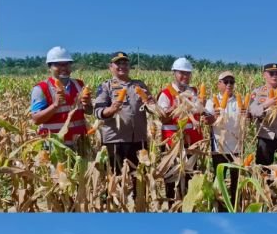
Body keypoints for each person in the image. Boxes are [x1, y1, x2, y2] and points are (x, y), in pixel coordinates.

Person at [93, 52, 154, 173]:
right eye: (118, 63)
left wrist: (151, 103)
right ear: (110, 67)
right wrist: (111, 110)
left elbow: (150, 109)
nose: (122, 66)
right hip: (115, 141)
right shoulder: (106, 86)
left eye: (125, 63)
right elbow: (97, 111)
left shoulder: (140, 85)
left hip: (138, 140)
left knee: (139, 178)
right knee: (116, 178)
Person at [157, 57, 202, 199]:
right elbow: (162, 118)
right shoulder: (166, 93)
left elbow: (199, 112)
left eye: (187, 73)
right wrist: (175, 106)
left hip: (192, 142)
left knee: (189, 174)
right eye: (181, 73)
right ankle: (172, 203)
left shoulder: (194, 91)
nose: (184, 76)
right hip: (172, 142)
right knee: (171, 175)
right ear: (174, 74)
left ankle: (188, 204)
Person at [30, 46, 92, 149]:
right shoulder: (41, 89)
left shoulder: (79, 84)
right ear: (49, 67)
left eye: (67, 64)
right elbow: (36, 119)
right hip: (54, 145)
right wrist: (55, 105)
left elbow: (89, 111)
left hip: (79, 142)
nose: (64, 68)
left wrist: (88, 104)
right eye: (58, 64)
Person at [204, 71, 246, 209]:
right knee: (219, 181)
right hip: (219, 148)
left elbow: (247, 119)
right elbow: (207, 121)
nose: (229, 84)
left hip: (236, 148)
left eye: (231, 82)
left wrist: (247, 115)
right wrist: (214, 117)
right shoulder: (211, 101)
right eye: (225, 81)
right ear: (219, 84)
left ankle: (235, 207)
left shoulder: (238, 100)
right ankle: (221, 209)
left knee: (236, 181)